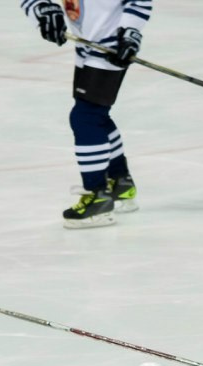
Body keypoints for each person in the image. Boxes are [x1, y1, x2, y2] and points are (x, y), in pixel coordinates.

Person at [21, 0, 151, 229]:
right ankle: (121, 184)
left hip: (111, 44)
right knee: (95, 115)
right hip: (86, 43)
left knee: (86, 117)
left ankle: (98, 197)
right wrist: (41, 8)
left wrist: (130, 32)